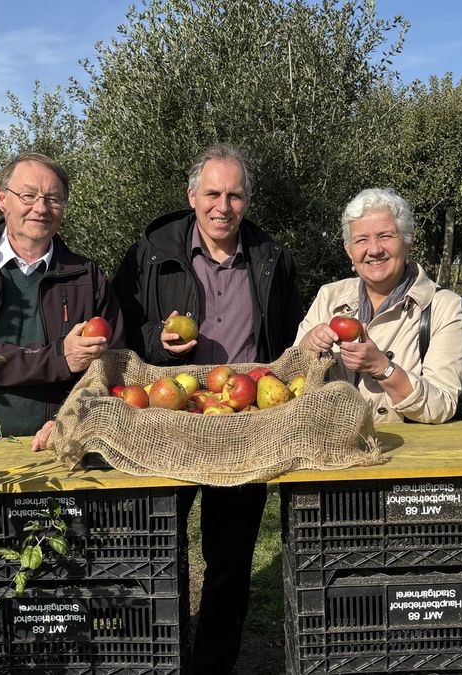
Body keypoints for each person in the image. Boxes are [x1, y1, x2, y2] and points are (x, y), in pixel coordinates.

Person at [112, 142, 303, 674]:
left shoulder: (271, 258)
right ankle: (158, 657)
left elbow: (287, 340)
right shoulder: (150, 251)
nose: (224, 205)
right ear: (192, 195)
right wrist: (156, 339)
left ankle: (212, 665)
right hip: (168, 419)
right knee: (156, 545)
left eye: (235, 195)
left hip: (243, 423)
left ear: (247, 201)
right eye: (213, 193)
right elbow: (123, 325)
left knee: (230, 559)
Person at [0, 152, 123, 441]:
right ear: (2, 199)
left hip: (60, 445)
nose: (41, 208)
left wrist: (76, 417)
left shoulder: (86, 277)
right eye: (28, 196)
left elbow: (112, 363)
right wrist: (57, 358)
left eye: (53, 199)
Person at [296, 187, 462, 424]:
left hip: (405, 453)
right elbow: (290, 379)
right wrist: (308, 345)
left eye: (385, 236)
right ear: (349, 251)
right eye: (361, 240)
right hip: (333, 449)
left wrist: (383, 368)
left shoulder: (442, 306)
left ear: (407, 242)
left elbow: (442, 405)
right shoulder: (329, 297)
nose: (374, 249)